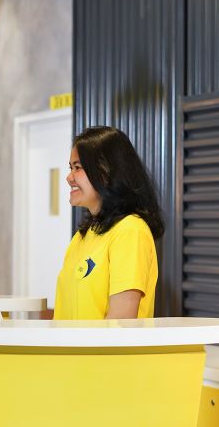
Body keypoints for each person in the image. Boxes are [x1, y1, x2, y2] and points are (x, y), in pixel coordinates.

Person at [53, 126, 164, 320]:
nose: (69, 177)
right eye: (71, 168)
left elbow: (121, 321)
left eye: (78, 168)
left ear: (106, 172)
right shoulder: (82, 236)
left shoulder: (130, 231)